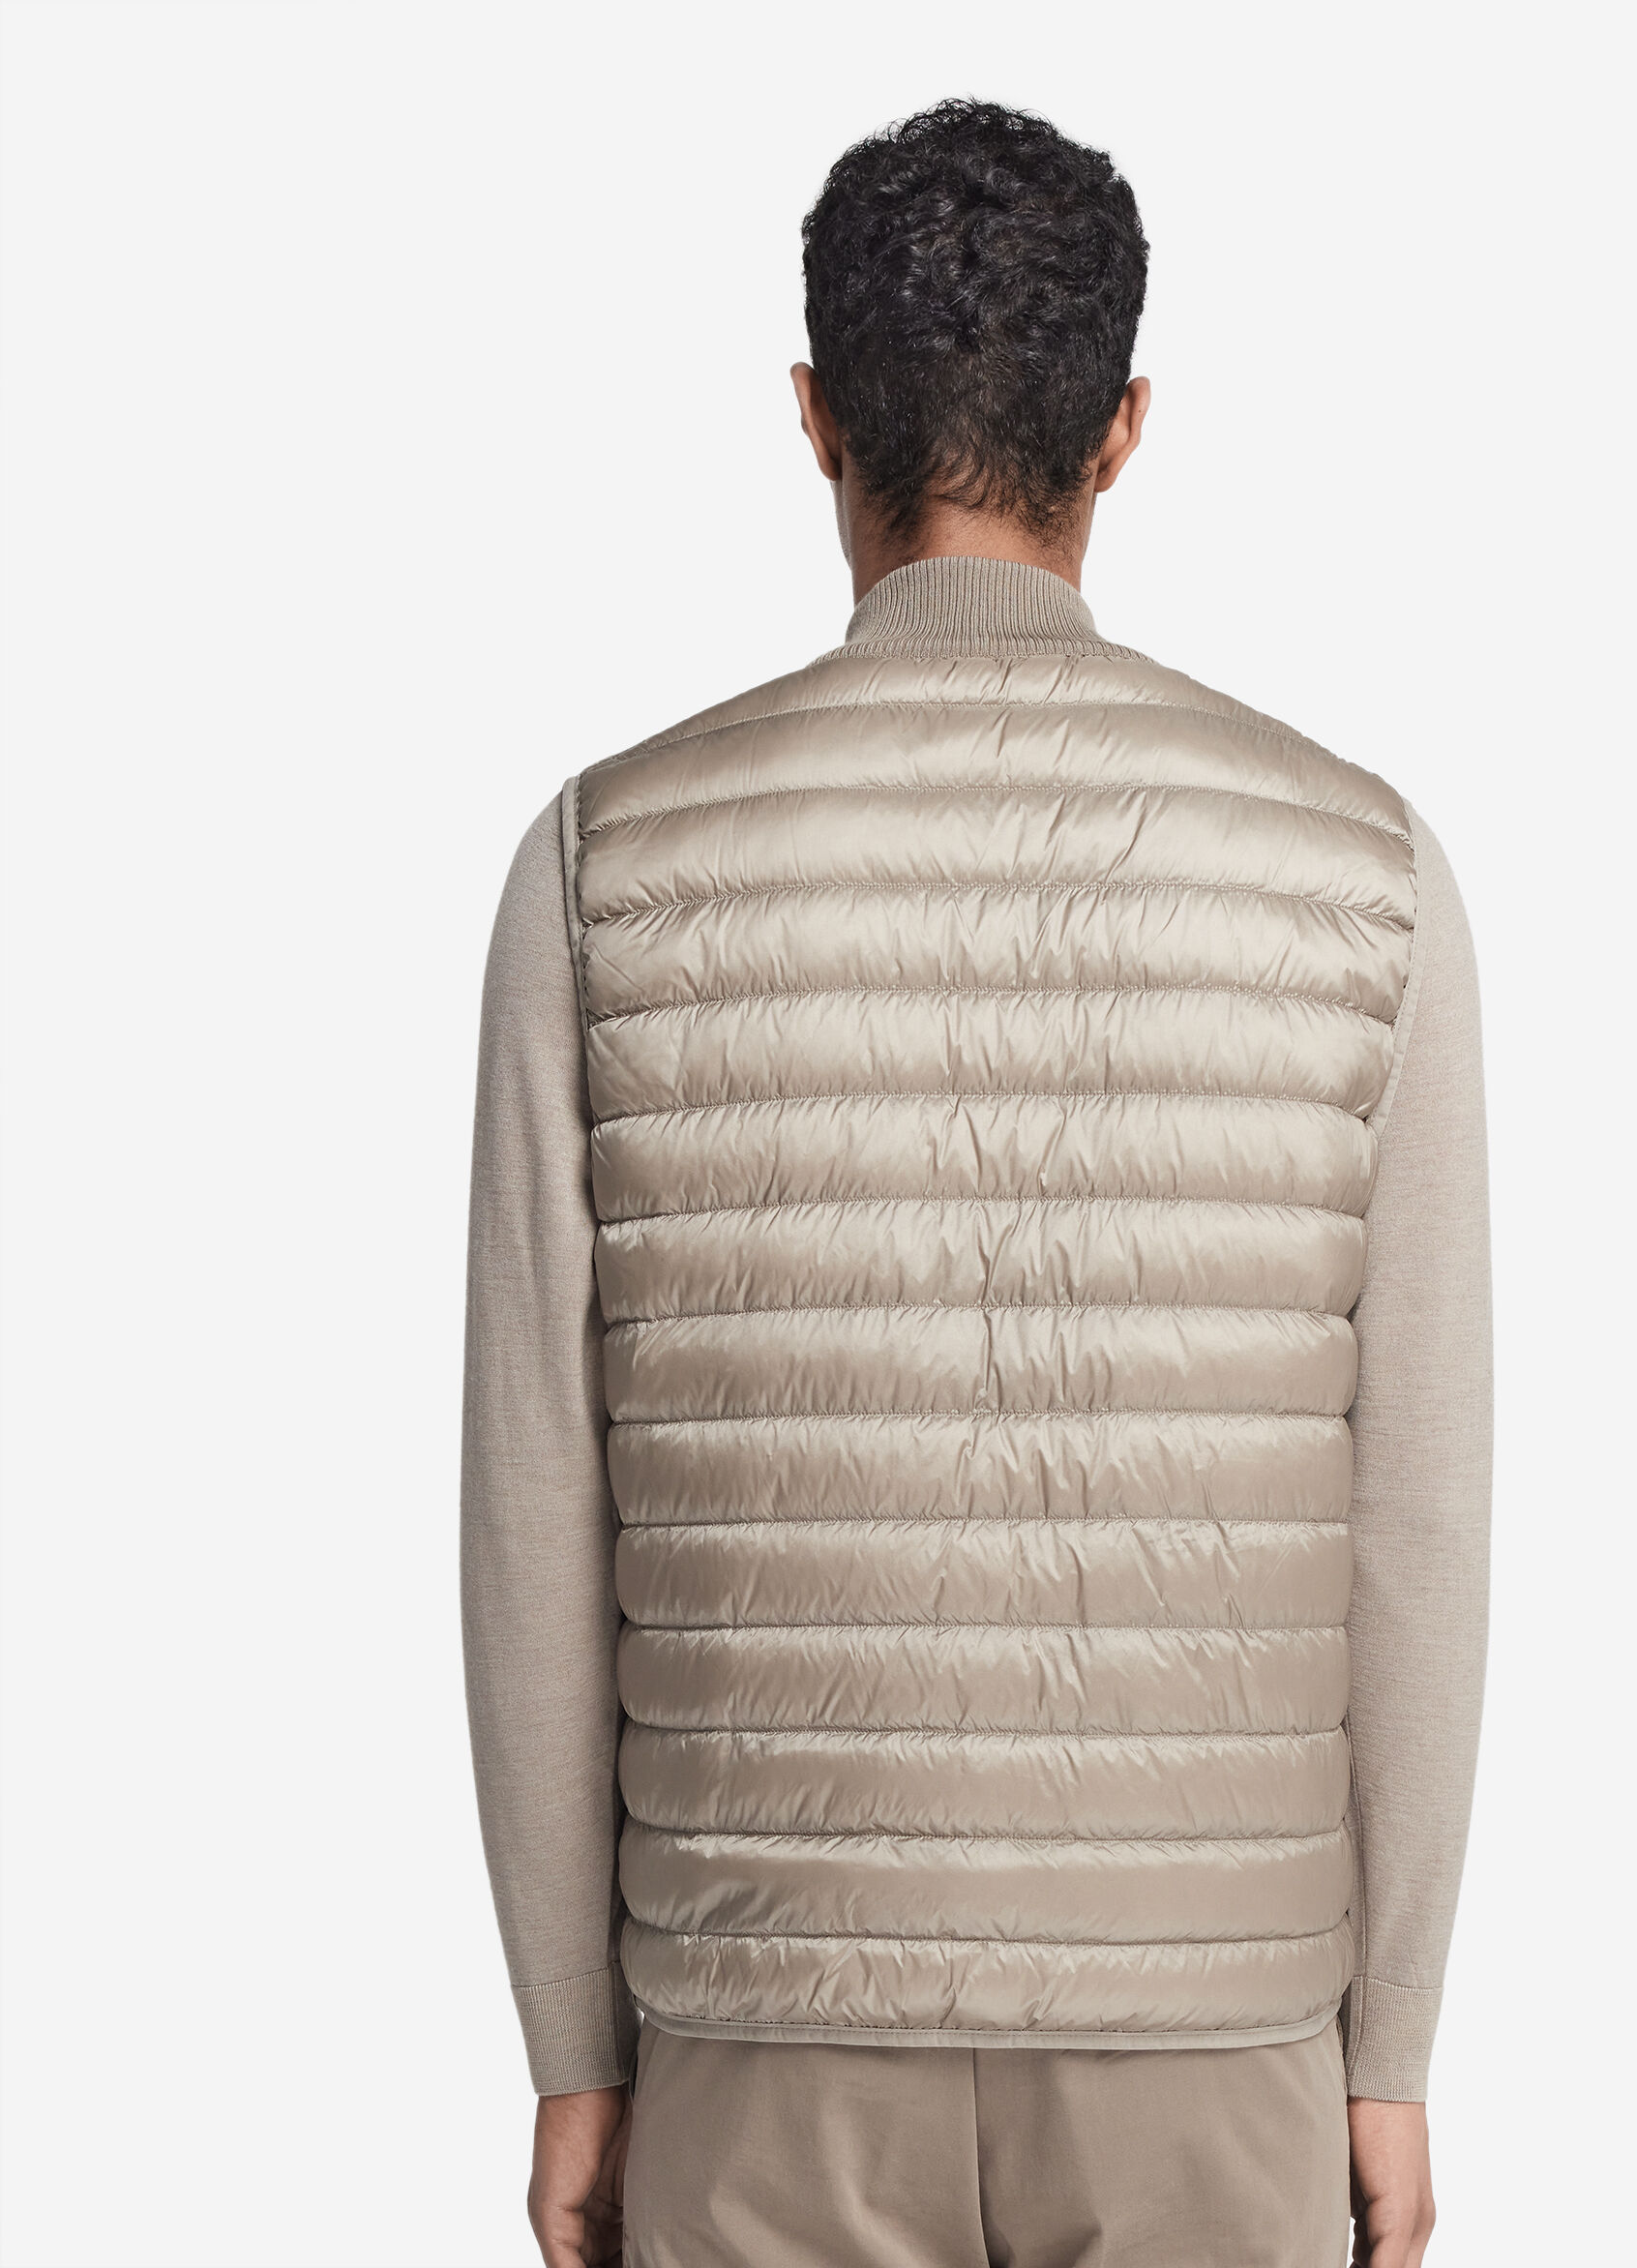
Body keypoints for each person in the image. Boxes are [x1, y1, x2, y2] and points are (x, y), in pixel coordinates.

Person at [462, 97, 1490, 2268]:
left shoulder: (603, 861)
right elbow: (1413, 1510)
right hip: (1217, 2024)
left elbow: (538, 1504)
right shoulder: (1363, 871)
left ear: (815, 416)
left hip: (761, 2012)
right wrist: (1386, 2041)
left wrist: (573, 2040)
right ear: (1122, 428)